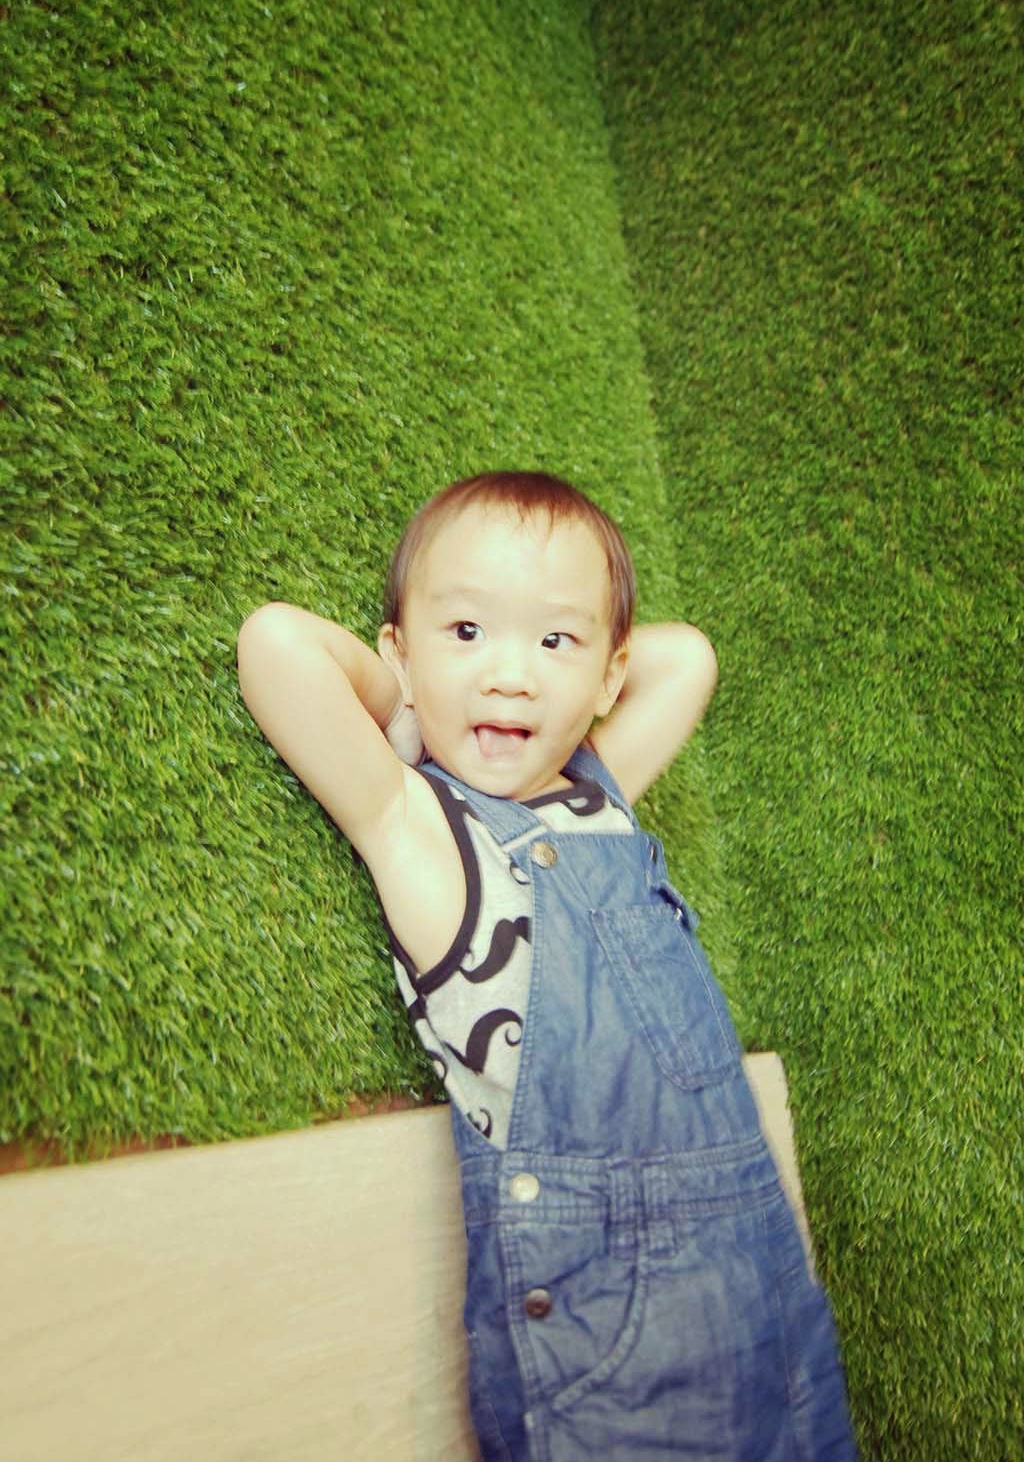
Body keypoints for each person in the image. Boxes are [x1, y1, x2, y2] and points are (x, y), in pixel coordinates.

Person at [236, 470, 857, 1461]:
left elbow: (684, 659)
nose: (510, 676)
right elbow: (277, 644)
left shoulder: (599, 796)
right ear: (400, 648)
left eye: (554, 643)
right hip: (601, 1324)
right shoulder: (419, 827)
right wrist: (406, 699)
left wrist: (529, 665)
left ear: (606, 678)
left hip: (757, 1275)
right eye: (466, 632)